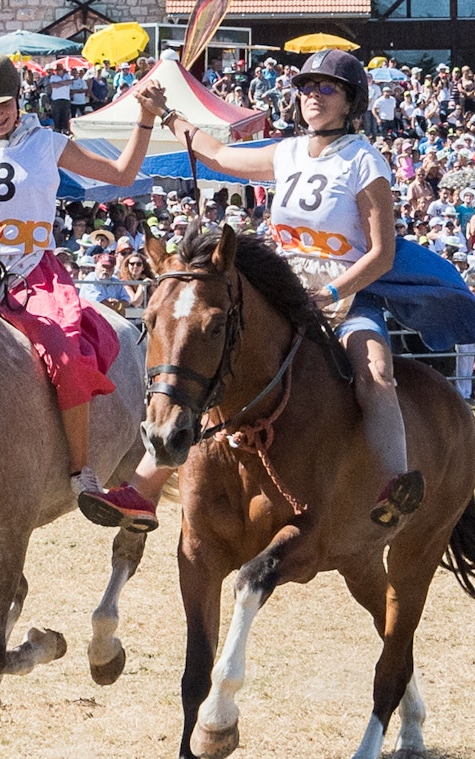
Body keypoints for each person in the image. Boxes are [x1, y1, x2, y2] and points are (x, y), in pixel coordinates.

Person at [80, 49, 461, 534]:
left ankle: (393, 485)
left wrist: (331, 292)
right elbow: (218, 155)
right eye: (306, 87)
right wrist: (166, 113)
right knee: (206, 361)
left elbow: (382, 254)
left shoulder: (366, 161)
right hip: (281, 286)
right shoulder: (287, 152)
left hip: (345, 291)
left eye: (327, 88)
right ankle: (142, 491)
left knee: (377, 374)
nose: (313, 96)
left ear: (351, 101)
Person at [0, 50, 157, 506]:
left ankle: (79, 470)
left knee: (67, 356)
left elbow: (122, 174)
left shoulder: (50, 143)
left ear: (19, 98)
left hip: (33, 274)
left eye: (3, 104)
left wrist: (146, 118)